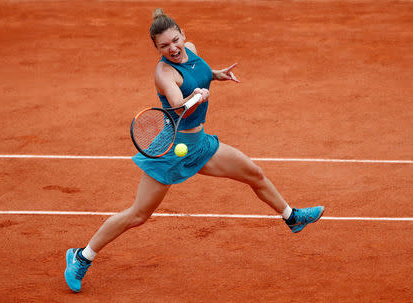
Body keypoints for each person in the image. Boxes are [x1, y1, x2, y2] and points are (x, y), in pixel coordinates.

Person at [64, 8, 324, 293]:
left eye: (175, 40)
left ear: (183, 35)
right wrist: (195, 97)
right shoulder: (164, 73)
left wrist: (215, 75)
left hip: (199, 146)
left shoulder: (191, 50)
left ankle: (292, 217)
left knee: (255, 174)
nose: (173, 48)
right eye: (164, 46)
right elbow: (179, 105)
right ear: (157, 49)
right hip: (171, 150)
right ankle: (81, 256)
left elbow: (197, 71)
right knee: (138, 215)